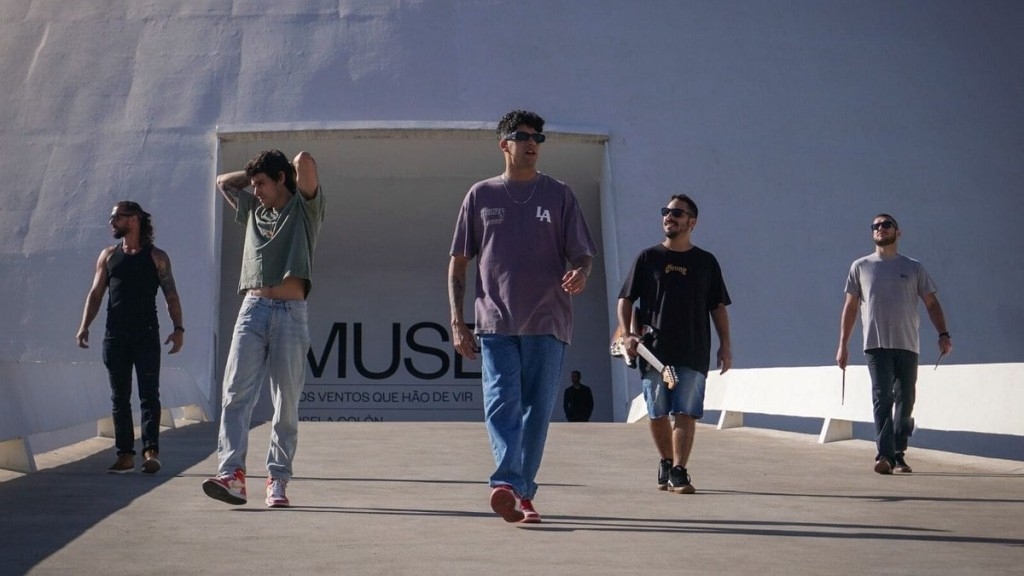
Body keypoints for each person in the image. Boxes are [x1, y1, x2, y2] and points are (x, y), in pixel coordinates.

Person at [448, 110, 597, 523]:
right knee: (501, 403)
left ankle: (521, 492)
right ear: (504, 144)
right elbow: (459, 263)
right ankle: (507, 484)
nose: (532, 143)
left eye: (538, 138)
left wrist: (581, 273)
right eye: (523, 136)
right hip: (495, 322)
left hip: (548, 322)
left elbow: (583, 253)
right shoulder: (480, 195)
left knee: (535, 410)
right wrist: (458, 322)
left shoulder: (559, 194)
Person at [202, 150, 324, 508]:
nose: (255, 190)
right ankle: (232, 475)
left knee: (285, 401)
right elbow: (222, 182)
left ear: (282, 179)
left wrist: (279, 168)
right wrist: (255, 172)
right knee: (235, 394)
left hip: (291, 312)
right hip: (252, 308)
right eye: (253, 184)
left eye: (261, 184)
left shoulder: (305, 210)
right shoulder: (256, 210)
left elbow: (304, 161)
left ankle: (278, 479)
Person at [617, 194, 731, 495]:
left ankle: (679, 470)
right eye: (666, 211)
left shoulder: (706, 262)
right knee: (657, 412)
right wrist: (628, 335)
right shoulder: (648, 258)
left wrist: (725, 345)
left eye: (677, 213)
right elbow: (626, 298)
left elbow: (718, 306)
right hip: (654, 351)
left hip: (694, 348)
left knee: (685, 411)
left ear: (691, 222)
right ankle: (666, 461)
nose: (669, 216)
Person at [836, 213, 952, 475]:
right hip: (875, 345)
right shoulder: (860, 266)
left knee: (906, 400)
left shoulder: (913, 267)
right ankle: (885, 456)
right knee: (881, 397)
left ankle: (899, 452)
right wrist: (843, 344)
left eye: (886, 225)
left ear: (897, 233)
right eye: (875, 226)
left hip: (908, 345)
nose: (880, 229)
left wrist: (944, 334)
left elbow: (931, 303)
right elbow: (851, 307)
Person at [76, 201, 184, 475]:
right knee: (119, 397)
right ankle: (125, 455)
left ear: (134, 220)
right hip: (115, 336)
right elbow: (96, 293)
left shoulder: (157, 257)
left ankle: (150, 451)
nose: (112, 223)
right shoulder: (108, 256)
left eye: (117, 218)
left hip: (146, 335)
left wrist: (178, 329)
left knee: (149, 395)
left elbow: (171, 294)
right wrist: (85, 325)